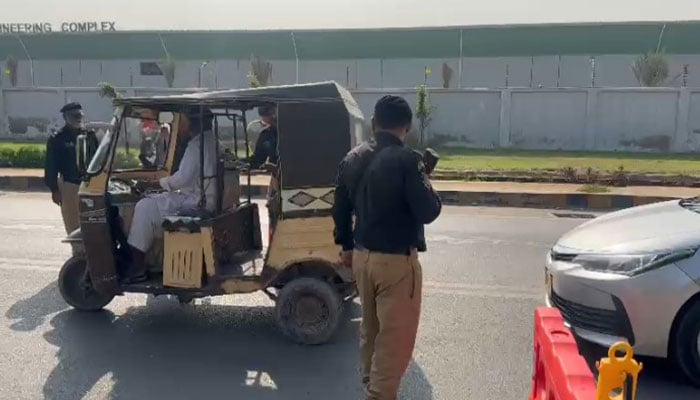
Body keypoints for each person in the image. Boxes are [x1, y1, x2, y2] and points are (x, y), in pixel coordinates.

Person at [332, 95, 442, 399]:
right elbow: (428, 211)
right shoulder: (408, 160)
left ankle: (371, 383)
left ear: (374, 123)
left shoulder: (352, 157)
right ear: (407, 127)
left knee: (371, 330)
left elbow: (340, 206)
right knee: (395, 340)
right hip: (395, 264)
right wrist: (427, 181)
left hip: (362, 258)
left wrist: (345, 245)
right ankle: (379, 393)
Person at [124, 108, 220, 283]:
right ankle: (155, 260)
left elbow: (182, 179)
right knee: (156, 202)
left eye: (180, 120)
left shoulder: (196, 146)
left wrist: (151, 184)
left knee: (144, 207)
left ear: (191, 123)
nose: (177, 124)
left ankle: (138, 268)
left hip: (194, 202)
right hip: (202, 197)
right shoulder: (211, 140)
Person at [44, 102, 98, 236]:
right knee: (73, 223)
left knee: (93, 222)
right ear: (65, 117)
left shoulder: (90, 135)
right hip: (69, 185)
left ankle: (91, 254)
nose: (78, 118)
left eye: (80, 115)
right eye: (74, 116)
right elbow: (51, 165)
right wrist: (54, 189)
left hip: (90, 185)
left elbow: (99, 159)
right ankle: (78, 254)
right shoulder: (58, 138)